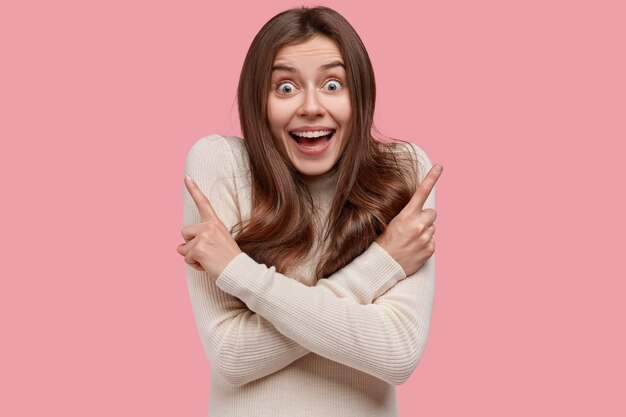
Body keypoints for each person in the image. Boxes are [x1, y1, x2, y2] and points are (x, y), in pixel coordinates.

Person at [176, 6, 443, 417]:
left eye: (333, 84)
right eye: (285, 88)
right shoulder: (220, 164)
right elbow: (232, 356)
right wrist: (382, 265)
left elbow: (396, 352)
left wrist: (239, 272)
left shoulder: (403, 170)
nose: (311, 107)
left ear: (361, 95)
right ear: (257, 100)